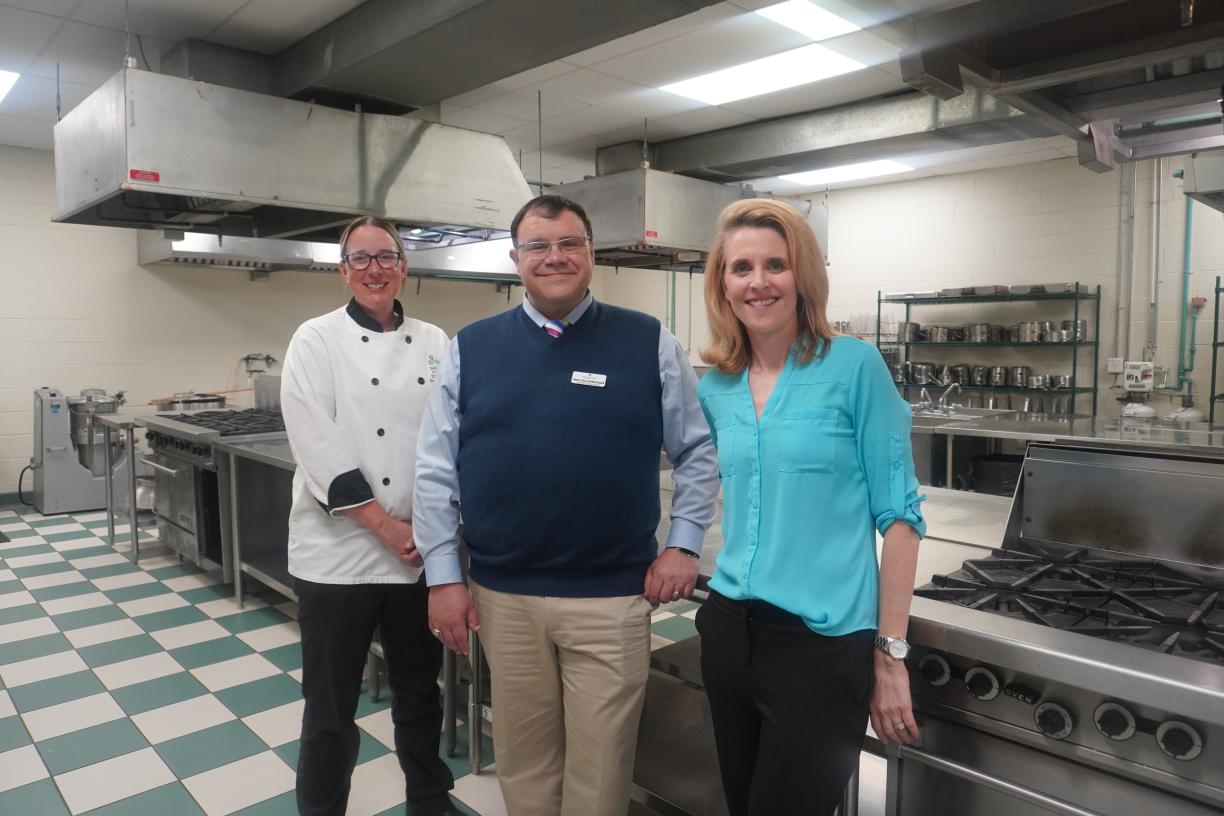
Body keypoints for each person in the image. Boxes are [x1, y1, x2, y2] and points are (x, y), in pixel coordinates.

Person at [412, 194, 720, 816]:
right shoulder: (471, 349)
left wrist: (683, 543)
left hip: (611, 597)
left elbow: (699, 451)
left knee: (602, 772)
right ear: (515, 258)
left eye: (569, 243)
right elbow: (434, 471)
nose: (554, 257)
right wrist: (444, 577)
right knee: (524, 766)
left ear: (590, 252)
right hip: (505, 597)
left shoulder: (649, 342)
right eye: (538, 246)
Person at [694, 198, 926, 816]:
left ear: (803, 276)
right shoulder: (716, 383)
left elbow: (901, 520)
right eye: (741, 267)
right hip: (729, 632)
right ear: (723, 282)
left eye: (776, 264)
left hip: (821, 647)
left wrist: (890, 653)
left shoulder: (853, 366)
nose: (759, 281)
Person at [280, 215, 460, 816]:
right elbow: (316, 444)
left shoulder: (437, 342)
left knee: (420, 696)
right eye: (360, 259)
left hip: (417, 558)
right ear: (343, 271)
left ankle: (429, 803)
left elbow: (450, 441)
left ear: (405, 266)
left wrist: (431, 536)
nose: (374, 269)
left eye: (386, 257)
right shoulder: (315, 338)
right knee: (331, 709)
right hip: (339, 559)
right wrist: (388, 529)